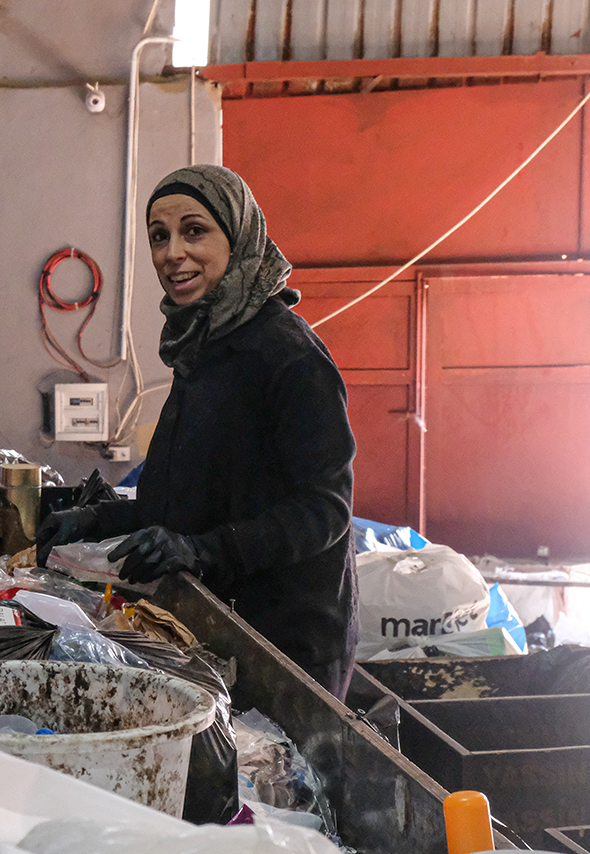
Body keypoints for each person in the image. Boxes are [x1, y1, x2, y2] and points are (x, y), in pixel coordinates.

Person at [37, 166, 359, 697]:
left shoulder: (288, 356)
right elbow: (182, 506)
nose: (172, 253)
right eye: (159, 237)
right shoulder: (201, 351)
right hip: (217, 625)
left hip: (287, 645)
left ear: (237, 237)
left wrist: (203, 550)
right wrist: (94, 518)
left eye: (194, 231)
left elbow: (325, 510)